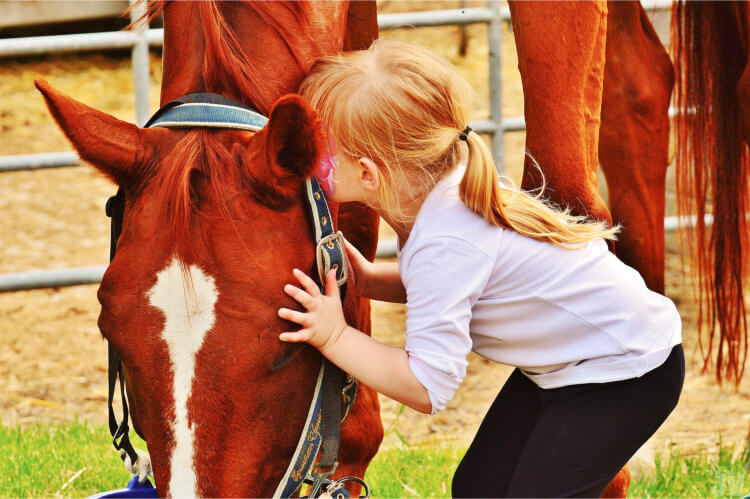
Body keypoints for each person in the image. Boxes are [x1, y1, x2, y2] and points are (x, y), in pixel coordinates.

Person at [277, 39, 684, 498]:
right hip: (578, 363)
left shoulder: (446, 240)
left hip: (626, 372)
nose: (307, 165)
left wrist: (335, 337)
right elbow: (458, 286)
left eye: (317, 154)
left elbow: (427, 386)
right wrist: (370, 280)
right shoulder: (446, 189)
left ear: (369, 174)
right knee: (478, 489)